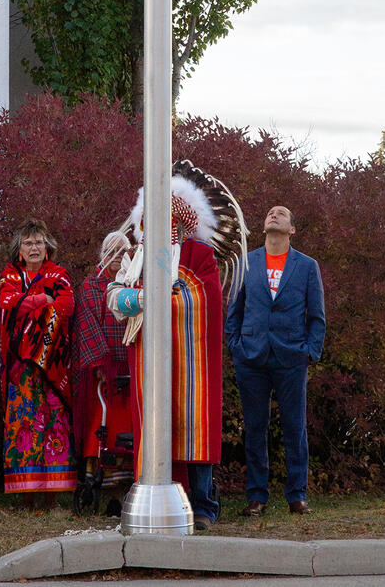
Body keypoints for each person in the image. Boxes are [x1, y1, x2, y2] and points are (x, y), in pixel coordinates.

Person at [108, 160, 246, 533]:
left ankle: (203, 506)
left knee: (193, 426)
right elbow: (114, 298)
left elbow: (202, 299)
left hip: (190, 359)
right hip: (148, 358)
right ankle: (151, 496)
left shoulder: (198, 255)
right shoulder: (135, 258)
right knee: (154, 428)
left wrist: (149, 300)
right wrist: (141, 299)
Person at [226, 203, 326, 517]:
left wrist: (310, 351)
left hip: (291, 357)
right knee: (255, 428)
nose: (274, 214)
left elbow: (317, 316)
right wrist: (236, 347)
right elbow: (235, 312)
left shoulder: (307, 266)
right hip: (251, 357)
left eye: (282, 213)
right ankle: (257, 497)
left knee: (295, 428)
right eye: (270, 212)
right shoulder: (246, 262)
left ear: (292, 229)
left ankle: (297, 497)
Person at [0, 219, 77, 506]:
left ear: (48, 248)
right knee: (24, 424)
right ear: (19, 249)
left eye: (39, 242)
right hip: (20, 370)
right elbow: (5, 305)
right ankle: (26, 494)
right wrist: (42, 300)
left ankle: (52, 494)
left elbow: (66, 306)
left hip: (51, 367)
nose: (34, 247)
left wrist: (28, 305)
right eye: (28, 242)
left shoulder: (60, 275)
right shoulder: (9, 276)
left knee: (53, 421)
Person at [72, 230, 131, 514]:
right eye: (114, 251)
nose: (119, 257)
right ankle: (99, 486)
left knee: (128, 431)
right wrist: (100, 363)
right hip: (103, 370)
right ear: (103, 254)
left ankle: (123, 492)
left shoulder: (134, 283)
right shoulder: (92, 285)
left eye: (124, 251)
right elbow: (88, 325)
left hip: (131, 366)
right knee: (102, 428)